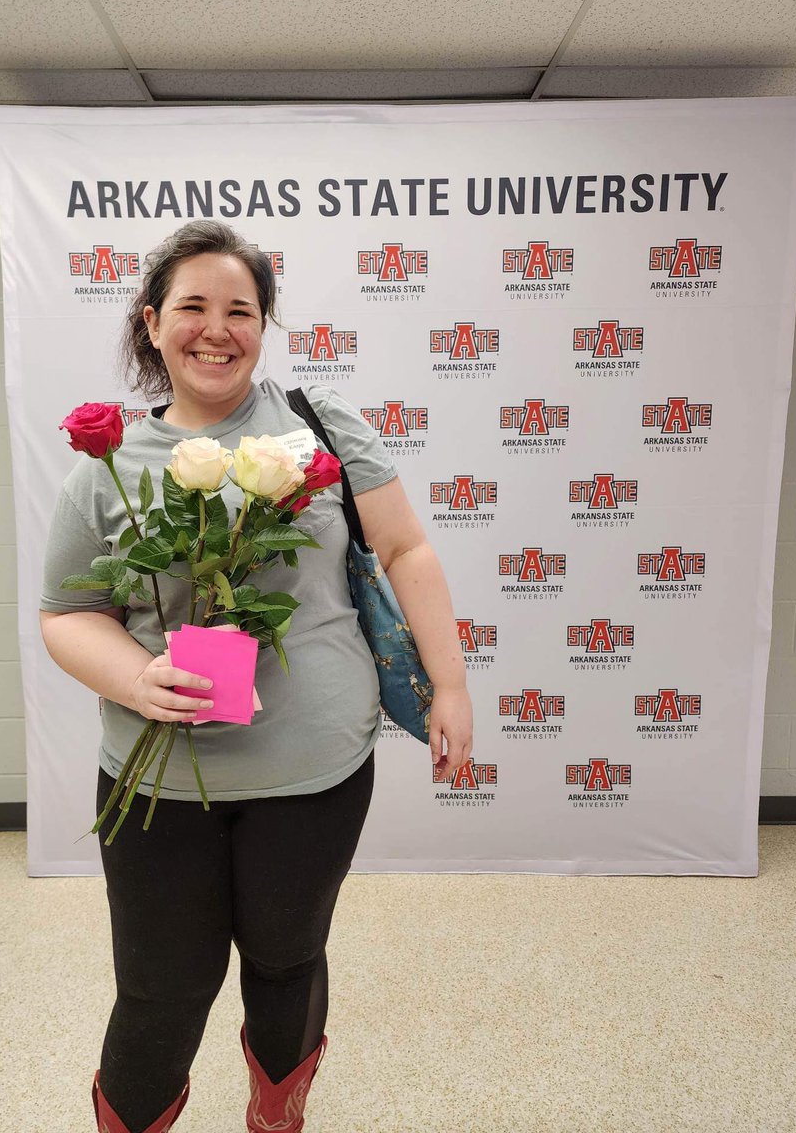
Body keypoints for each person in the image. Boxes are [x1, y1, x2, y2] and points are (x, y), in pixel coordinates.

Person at [39, 219, 473, 1133]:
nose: (216, 328)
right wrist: (134, 678)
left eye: (241, 309)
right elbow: (68, 614)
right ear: (152, 323)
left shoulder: (318, 428)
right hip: (157, 782)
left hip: (312, 774)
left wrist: (454, 685)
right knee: (160, 990)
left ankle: (278, 1114)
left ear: (264, 326)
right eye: (192, 306)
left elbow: (404, 547)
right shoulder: (106, 463)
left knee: (286, 958)